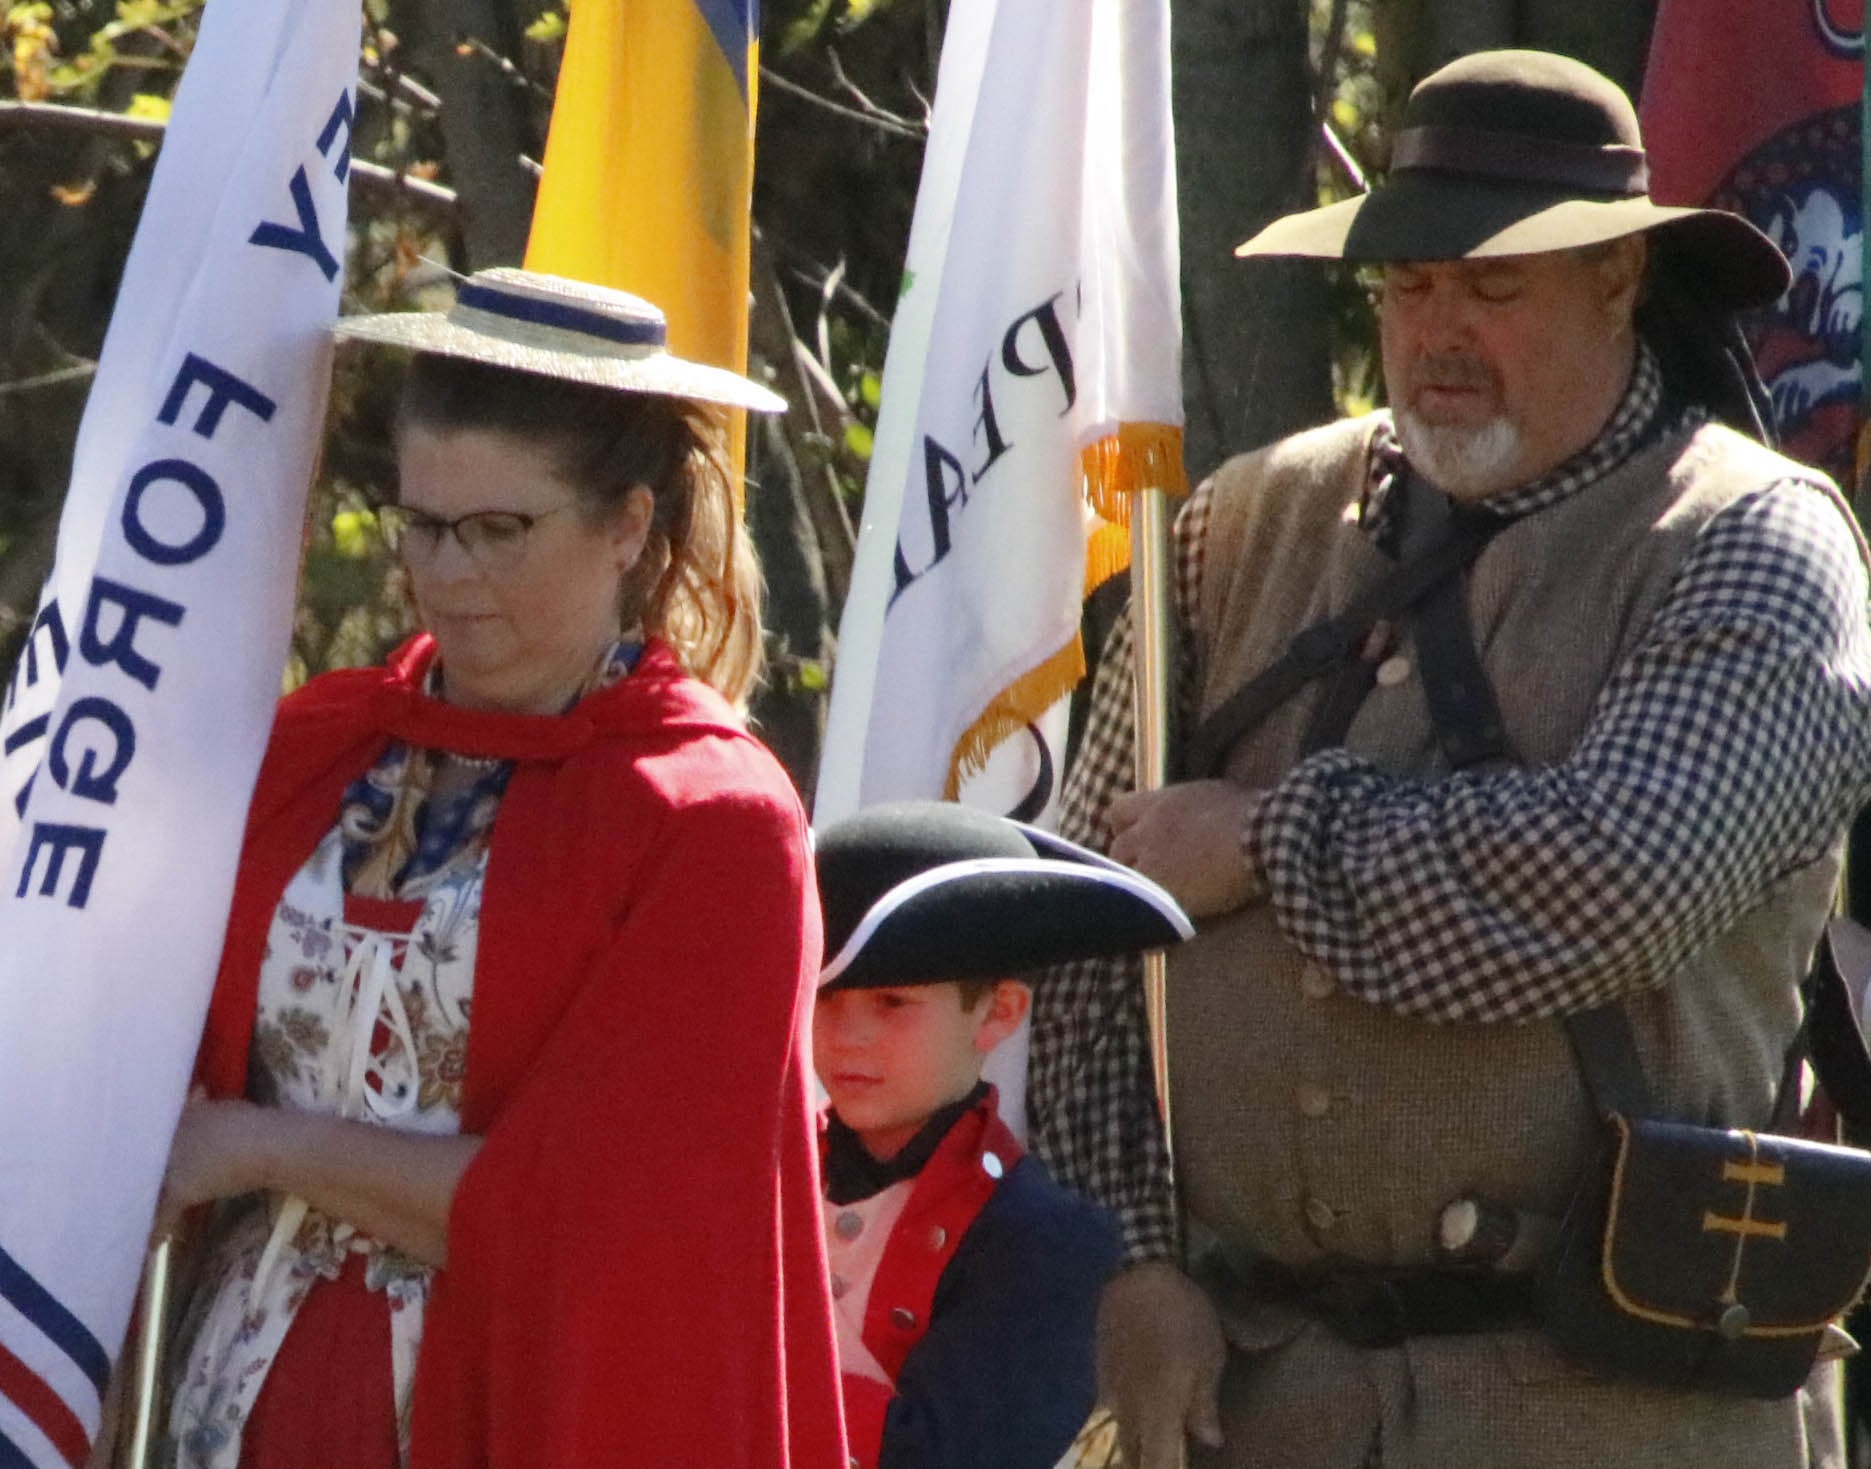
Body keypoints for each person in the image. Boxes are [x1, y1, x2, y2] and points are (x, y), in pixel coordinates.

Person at [1029, 49, 1871, 1469]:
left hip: (1623, 1407)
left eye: (1492, 287)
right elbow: (1076, 927)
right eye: (1410, 284)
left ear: (1616, 277)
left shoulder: (1755, 543)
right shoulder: (1239, 523)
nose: (1438, 330)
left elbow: (1600, 890)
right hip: (1264, 1410)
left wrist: (1263, 843)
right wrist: (1131, 1257)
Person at [155, 270, 847, 1468]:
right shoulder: (312, 750)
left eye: (499, 530)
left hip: (527, 1409)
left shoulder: (712, 821)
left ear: (625, 525)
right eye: (425, 524)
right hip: (231, 1405)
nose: (451, 572)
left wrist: (260, 1147)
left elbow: (594, 1211)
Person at [810, 801, 1189, 1469]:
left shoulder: (1040, 1241)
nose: (848, 1035)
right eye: (825, 997)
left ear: (999, 1013)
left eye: (892, 1003)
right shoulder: (756, 1181)